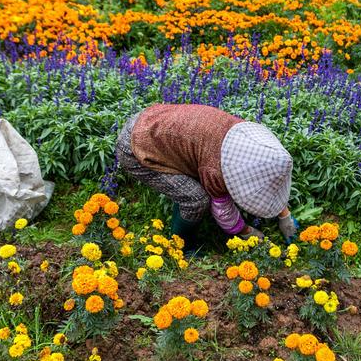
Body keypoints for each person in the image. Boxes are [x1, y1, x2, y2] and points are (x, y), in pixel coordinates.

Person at [115, 104, 298, 251]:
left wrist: (284, 215)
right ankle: (181, 246)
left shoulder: (245, 136)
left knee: (193, 179)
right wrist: (246, 232)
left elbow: (268, 174)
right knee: (196, 199)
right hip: (137, 147)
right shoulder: (215, 170)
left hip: (153, 117)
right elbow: (223, 211)